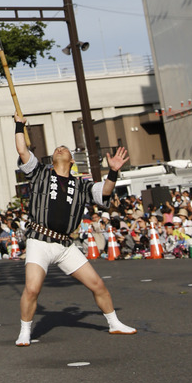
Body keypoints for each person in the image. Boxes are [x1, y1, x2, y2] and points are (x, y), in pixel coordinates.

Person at [13, 114, 136, 345]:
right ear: (52, 158)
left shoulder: (82, 184)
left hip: (66, 244)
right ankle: (25, 331)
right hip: (39, 240)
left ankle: (114, 323)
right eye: (57, 149)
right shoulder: (40, 172)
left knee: (97, 284)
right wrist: (19, 125)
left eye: (64, 149)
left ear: (71, 161)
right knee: (32, 288)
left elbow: (105, 193)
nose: (60, 149)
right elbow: (22, 150)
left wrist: (113, 172)